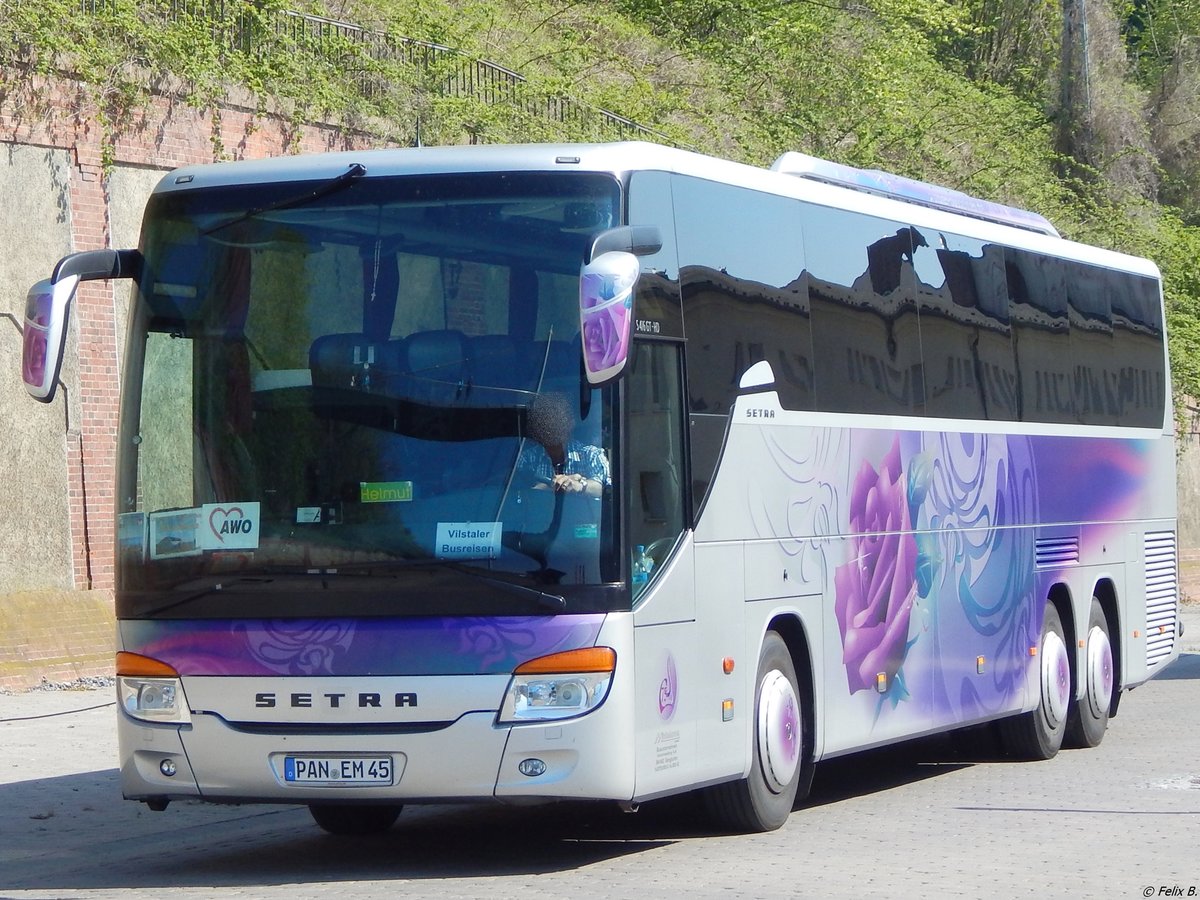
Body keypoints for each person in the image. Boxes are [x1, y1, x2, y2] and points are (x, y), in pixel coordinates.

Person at [518, 392, 609, 499]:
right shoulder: (527, 458)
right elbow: (513, 489)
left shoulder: (591, 454)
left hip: (582, 515)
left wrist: (579, 486)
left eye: (558, 420)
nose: (552, 426)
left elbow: (604, 489)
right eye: (546, 421)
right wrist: (543, 489)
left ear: (571, 423)